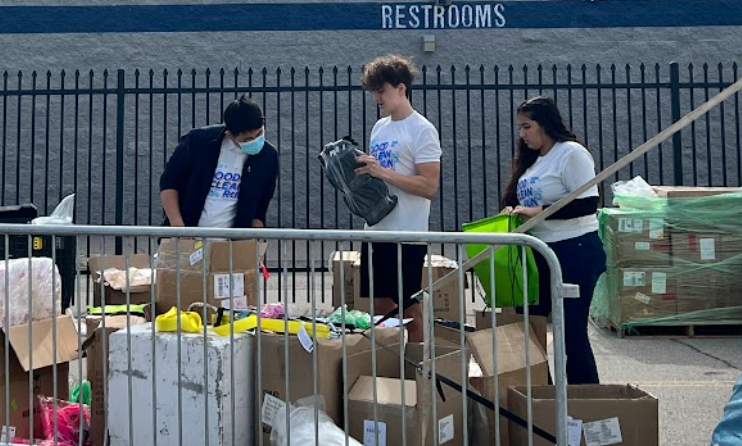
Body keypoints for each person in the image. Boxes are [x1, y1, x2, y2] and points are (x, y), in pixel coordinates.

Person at [501, 96, 606, 384]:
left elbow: (588, 202)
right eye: (520, 128)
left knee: (571, 332)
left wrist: (538, 212)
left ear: (545, 124)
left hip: (575, 249)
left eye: (527, 126)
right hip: (541, 251)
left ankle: (584, 396)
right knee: (530, 325)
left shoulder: (570, 153)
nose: (522, 134)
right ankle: (544, 394)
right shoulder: (534, 161)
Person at [356, 55, 442, 342]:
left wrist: (382, 172)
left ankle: (417, 361)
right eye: (374, 91)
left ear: (401, 88)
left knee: (407, 307)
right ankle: (393, 359)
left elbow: (429, 186)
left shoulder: (422, 129)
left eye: (381, 91)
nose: (377, 98)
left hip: (407, 233)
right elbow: (379, 177)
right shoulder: (380, 128)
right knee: (380, 305)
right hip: (376, 229)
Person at [160, 94, 278, 229]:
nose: (255, 141)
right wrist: (178, 227)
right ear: (230, 135)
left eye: (259, 134)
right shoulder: (198, 142)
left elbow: (261, 206)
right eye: (247, 140)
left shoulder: (268, 156)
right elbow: (169, 182)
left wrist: (254, 238)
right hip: (187, 231)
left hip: (232, 238)